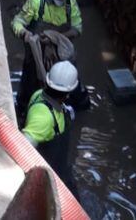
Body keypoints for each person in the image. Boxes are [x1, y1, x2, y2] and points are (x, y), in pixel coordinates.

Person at [11, 0, 82, 119]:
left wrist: (55, 37)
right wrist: (25, 33)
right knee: (28, 91)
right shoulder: (36, 2)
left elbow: (77, 29)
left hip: (60, 57)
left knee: (72, 88)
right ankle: (23, 114)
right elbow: (17, 22)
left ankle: (72, 113)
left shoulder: (71, 6)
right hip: (35, 57)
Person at [22, 60, 78, 191]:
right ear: (68, 92)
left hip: (59, 169)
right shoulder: (44, 119)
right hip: (50, 177)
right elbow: (23, 147)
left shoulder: (39, 94)